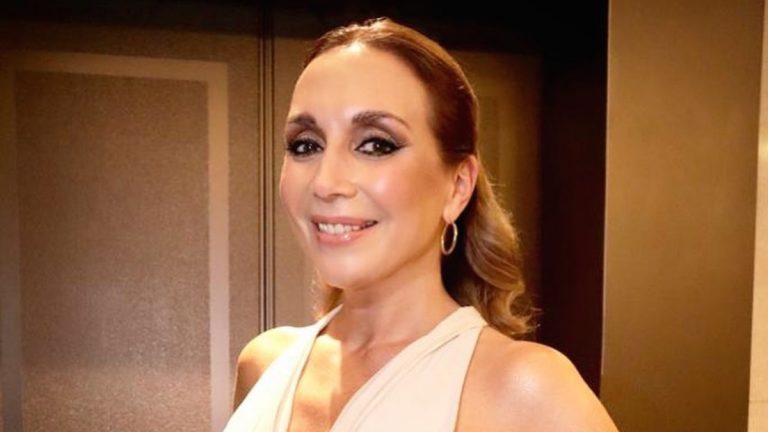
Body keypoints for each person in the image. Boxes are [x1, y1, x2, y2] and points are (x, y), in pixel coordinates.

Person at [224, 17, 618, 432]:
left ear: (458, 186)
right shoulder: (264, 364)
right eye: (306, 145)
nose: (325, 182)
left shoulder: (527, 389)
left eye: (376, 144)